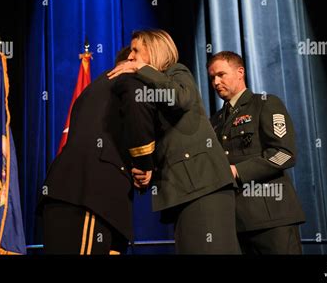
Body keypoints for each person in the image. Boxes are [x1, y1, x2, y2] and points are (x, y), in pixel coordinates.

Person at [108, 30, 241, 254]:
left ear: (155, 50)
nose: (130, 57)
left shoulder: (176, 72)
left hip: (203, 186)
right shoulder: (148, 88)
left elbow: (180, 98)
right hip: (181, 189)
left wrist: (141, 69)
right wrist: (147, 169)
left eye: (136, 50)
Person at [39, 46, 149, 255]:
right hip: (91, 196)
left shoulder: (94, 89)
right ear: (131, 60)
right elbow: (139, 126)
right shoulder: (129, 81)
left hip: (70, 193)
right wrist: (146, 166)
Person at [207, 50, 305, 254]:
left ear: (240, 72)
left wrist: (237, 171)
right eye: (212, 77)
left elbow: (284, 153)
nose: (216, 82)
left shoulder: (265, 103)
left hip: (272, 217)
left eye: (221, 75)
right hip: (237, 223)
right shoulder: (215, 121)